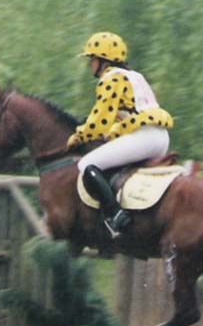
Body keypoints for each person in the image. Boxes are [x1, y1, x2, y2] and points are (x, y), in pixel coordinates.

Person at [67, 32, 174, 239]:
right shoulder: (136, 76)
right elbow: (124, 116)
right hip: (161, 137)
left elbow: (99, 123)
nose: (91, 65)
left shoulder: (111, 78)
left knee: (86, 165)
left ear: (103, 60)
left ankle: (116, 216)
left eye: (92, 59)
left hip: (144, 137)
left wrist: (77, 137)